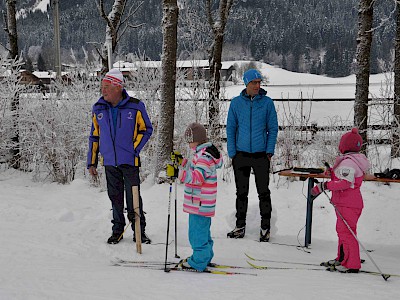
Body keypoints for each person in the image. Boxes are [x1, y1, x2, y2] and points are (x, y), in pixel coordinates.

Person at [87, 69, 153, 244]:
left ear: (117, 87)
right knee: (115, 198)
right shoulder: (98, 108)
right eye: (102, 87)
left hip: (130, 162)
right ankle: (117, 231)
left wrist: (134, 149)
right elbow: (94, 136)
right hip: (109, 162)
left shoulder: (135, 106)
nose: (103, 90)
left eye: (107, 87)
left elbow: (146, 129)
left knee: (133, 199)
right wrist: (91, 161)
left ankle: (139, 231)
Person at [226, 69, 278, 242]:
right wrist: (232, 152)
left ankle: (265, 228)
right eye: (253, 83)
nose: (257, 85)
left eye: (259, 82)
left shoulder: (267, 103)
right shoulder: (236, 103)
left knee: (264, 192)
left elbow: (273, 129)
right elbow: (231, 128)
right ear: (246, 84)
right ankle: (240, 226)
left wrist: (269, 151)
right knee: (241, 193)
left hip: (261, 155)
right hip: (241, 155)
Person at [311, 128, 370, 273]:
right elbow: (344, 179)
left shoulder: (349, 163)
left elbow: (344, 183)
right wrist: (332, 173)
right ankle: (343, 258)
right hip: (346, 203)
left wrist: (323, 186)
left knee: (347, 233)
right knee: (342, 231)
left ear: (345, 145)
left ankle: (353, 264)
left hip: (348, 204)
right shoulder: (351, 161)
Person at [175, 123, 223, 272]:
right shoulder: (204, 154)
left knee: (196, 234)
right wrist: (183, 162)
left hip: (199, 204)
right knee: (203, 232)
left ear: (197, 140)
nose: (188, 144)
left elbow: (197, 178)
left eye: (189, 140)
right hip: (202, 203)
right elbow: (197, 169)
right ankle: (205, 257)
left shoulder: (203, 157)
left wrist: (178, 174)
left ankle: (198, 261)